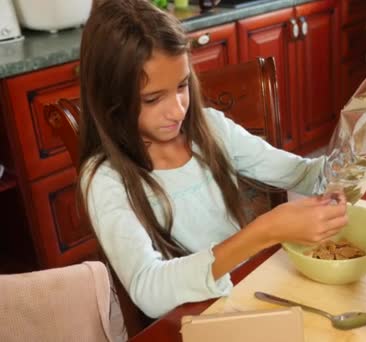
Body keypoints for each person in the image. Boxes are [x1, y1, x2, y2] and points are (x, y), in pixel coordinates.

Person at [78, 0, 347, 319]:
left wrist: (353, 157)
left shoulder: (213, 128)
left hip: (255, 291)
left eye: (182, 86)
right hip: (195, 320)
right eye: (153, 99)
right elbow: (148, 291)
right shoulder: (105, 179)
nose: (178, 109)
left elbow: (303, 174)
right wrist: (265, 231)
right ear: (111, 100)